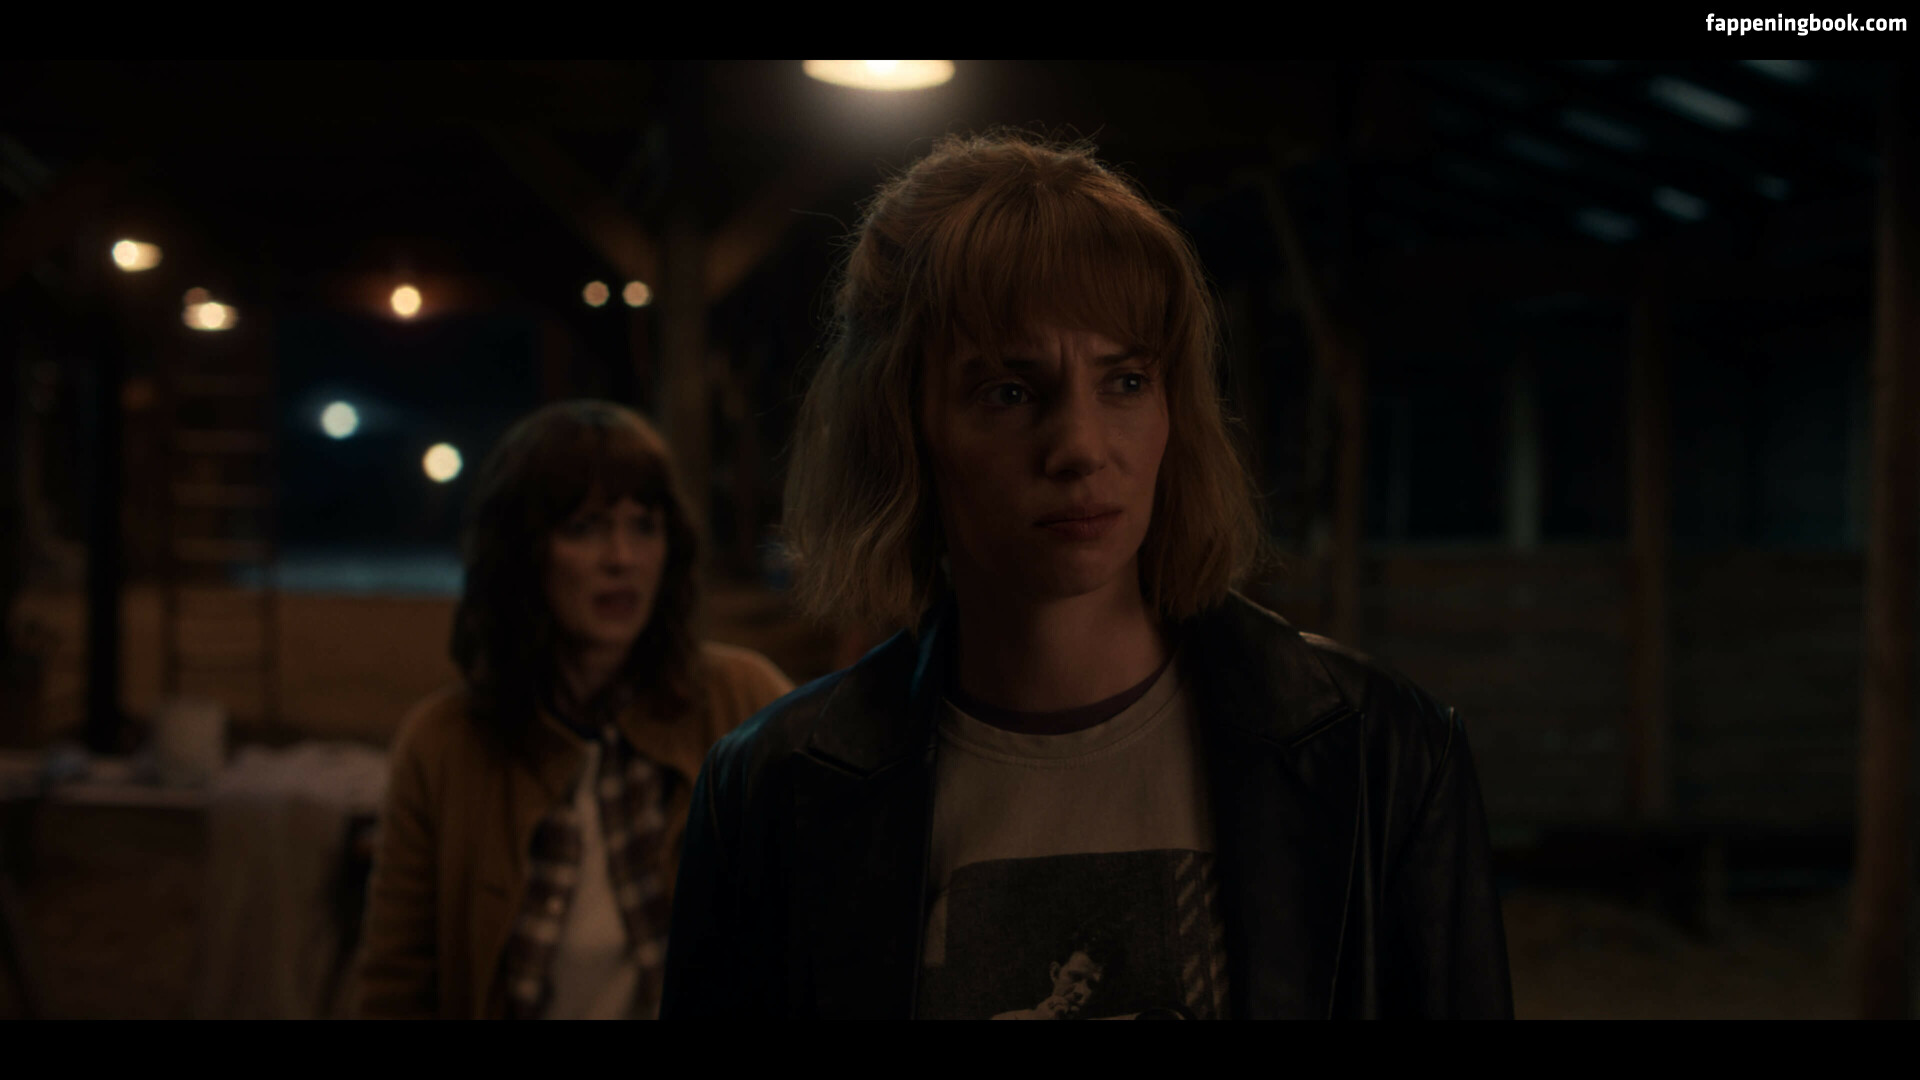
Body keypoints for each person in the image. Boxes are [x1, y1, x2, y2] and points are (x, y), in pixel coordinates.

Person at [660, 133, 1511, 1019]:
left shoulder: (1382, 757)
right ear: (902, 428)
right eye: (1009, 391)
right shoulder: (773, 791)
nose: (1078, 447)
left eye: (1127, 381)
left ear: (1176, 410)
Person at [354, 400, 793, 1019]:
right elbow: (394, 988)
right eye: (586, 527)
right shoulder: (444, 743)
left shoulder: (741, 700)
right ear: (523, 551)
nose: (622, 557)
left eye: (644, 526)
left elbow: (821, 928)